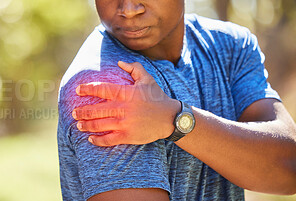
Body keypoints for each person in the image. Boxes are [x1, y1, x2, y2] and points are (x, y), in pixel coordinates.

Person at [57, 0, 296, 200]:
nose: (129, 9)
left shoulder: (230, 45)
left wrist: (174, 119)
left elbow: (289, 168)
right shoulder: (106, 86)